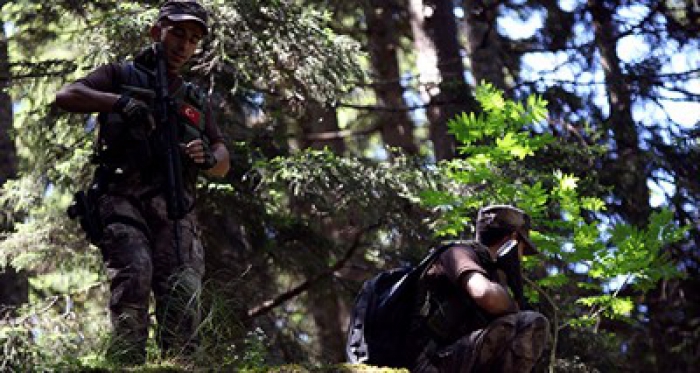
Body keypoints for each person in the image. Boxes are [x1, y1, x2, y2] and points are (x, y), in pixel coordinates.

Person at [55, 0, 230, 365]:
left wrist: (209, 158)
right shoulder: (121, 74)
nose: (184, 45)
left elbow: (222, 158)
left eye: (194, 39)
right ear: (157, 31)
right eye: (177, 33)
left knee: (183, 296)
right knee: (134, 274)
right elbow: (67, 96)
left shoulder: (195, 98)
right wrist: (119, 103)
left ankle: (180, 366)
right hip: (123, 198)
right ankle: (127, 364)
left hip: (176, 210)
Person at [411, 205, 550, 372]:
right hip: (429, 361)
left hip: (452, 357)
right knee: (530, 322)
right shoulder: (459, 253)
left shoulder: (492, 273)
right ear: (513, 240)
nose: (521, 257)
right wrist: (514, 305)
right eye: (522, 248)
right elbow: (486, 295)